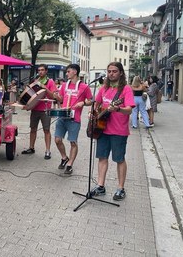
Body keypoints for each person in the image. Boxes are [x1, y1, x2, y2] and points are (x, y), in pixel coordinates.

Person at [90, 62, 135, 201]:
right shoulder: (104, 88)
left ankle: (121, 188)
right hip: (102, 129)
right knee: (102, 158)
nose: (111, 74)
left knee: (119, 159)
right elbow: (96, 102)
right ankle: (100, 186)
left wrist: (117, 109)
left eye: (114, 71)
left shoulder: (126, 89)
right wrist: (93, 113)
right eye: (109, 71)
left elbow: (129, 109)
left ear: (121, 72)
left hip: (118, 130)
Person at [54, 64, 92, 174]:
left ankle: (70, 164)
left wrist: (83, 103)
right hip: (62, 116)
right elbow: (61, 99)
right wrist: (56, 96)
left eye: (68, 71)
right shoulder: (64, 85)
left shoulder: (84, 87)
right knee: (57, 140)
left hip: (74, 119)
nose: (66, 73)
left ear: (75, 72)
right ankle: (64, 157)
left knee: (73, 142)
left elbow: (91, 100)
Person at [21, 64, 57, 159]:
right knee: (33, 129)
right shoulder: (35, 81)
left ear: (46, 71)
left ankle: (48, 151)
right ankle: (31, 148)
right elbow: (31, 95)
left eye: (42, 70)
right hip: (35, 109)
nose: (40, 72)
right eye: (39, 70)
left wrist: (44, 87)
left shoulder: (50, 82)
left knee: (46, 130)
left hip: (45, 110)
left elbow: (53, 96)